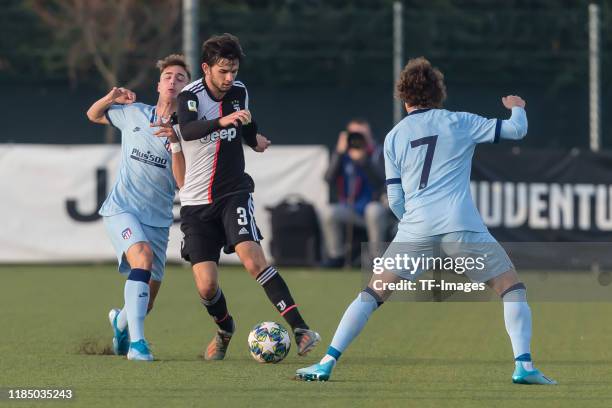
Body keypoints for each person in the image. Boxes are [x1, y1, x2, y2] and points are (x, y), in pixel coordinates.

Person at [296, 57, 556, 385]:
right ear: (439, 94)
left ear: (404, 98)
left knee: (371, 295)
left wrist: (416, 228)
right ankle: (524, 367)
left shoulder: (393, 137)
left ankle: (326, 363)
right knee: (510, 288)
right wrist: (517, 107)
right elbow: (517, 130)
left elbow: (394, 200)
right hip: (461, 226)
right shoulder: (459, 121)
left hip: (415, 230)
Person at [172, 33, 320, 360]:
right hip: (196, 203)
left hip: (233, 192)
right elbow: (188, 130)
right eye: (223, 71)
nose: (229, 78)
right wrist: (223, 120)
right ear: (206, 68)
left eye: (234, 71)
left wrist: (254, 140)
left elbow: (245, 120)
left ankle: (301, 328)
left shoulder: (239, 91)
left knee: (253, 260)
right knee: (206, 286)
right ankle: (225, 329)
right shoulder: (190, 96)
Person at [86, 55, 190, 361]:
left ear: (186, 90)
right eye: (168, 76)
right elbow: (93, 115)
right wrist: (111, 96)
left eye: (180, 78)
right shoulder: (133, 113)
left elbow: (183, 183)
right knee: (141, 259)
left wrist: (175, 143)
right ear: (159, 84)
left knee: (146, 303)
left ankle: (120, 324)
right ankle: (137, 344)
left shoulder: (187, 130)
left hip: (158, 220)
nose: (173, 81)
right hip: (122, 208)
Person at [321, 119, 388, 267]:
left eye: (361, 134)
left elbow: (382, 181)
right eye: (354, 134)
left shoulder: (378, 153)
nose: (357, 138)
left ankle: (376, 259)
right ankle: (336, 257)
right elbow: (328, 178)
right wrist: (338, 153)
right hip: (351, 208)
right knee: (328, 212)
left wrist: (364, 161)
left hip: (374, 206)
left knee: (373, 211)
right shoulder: (343, 155)